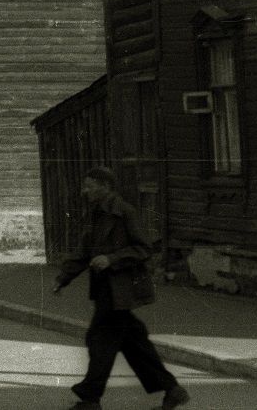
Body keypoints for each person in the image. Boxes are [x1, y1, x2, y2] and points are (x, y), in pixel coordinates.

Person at [54, 167, 189, 410]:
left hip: (122, 289)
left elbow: (143, 248)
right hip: (107, 289)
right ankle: (172, 389)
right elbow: (84, 251)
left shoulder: (125, 213)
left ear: (105, 186)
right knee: (133, 342)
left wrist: (111, 259)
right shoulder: (95, 214)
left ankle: (90, 398)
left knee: (100, 340)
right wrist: (64, 277)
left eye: (89, 186)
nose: (84, 191)